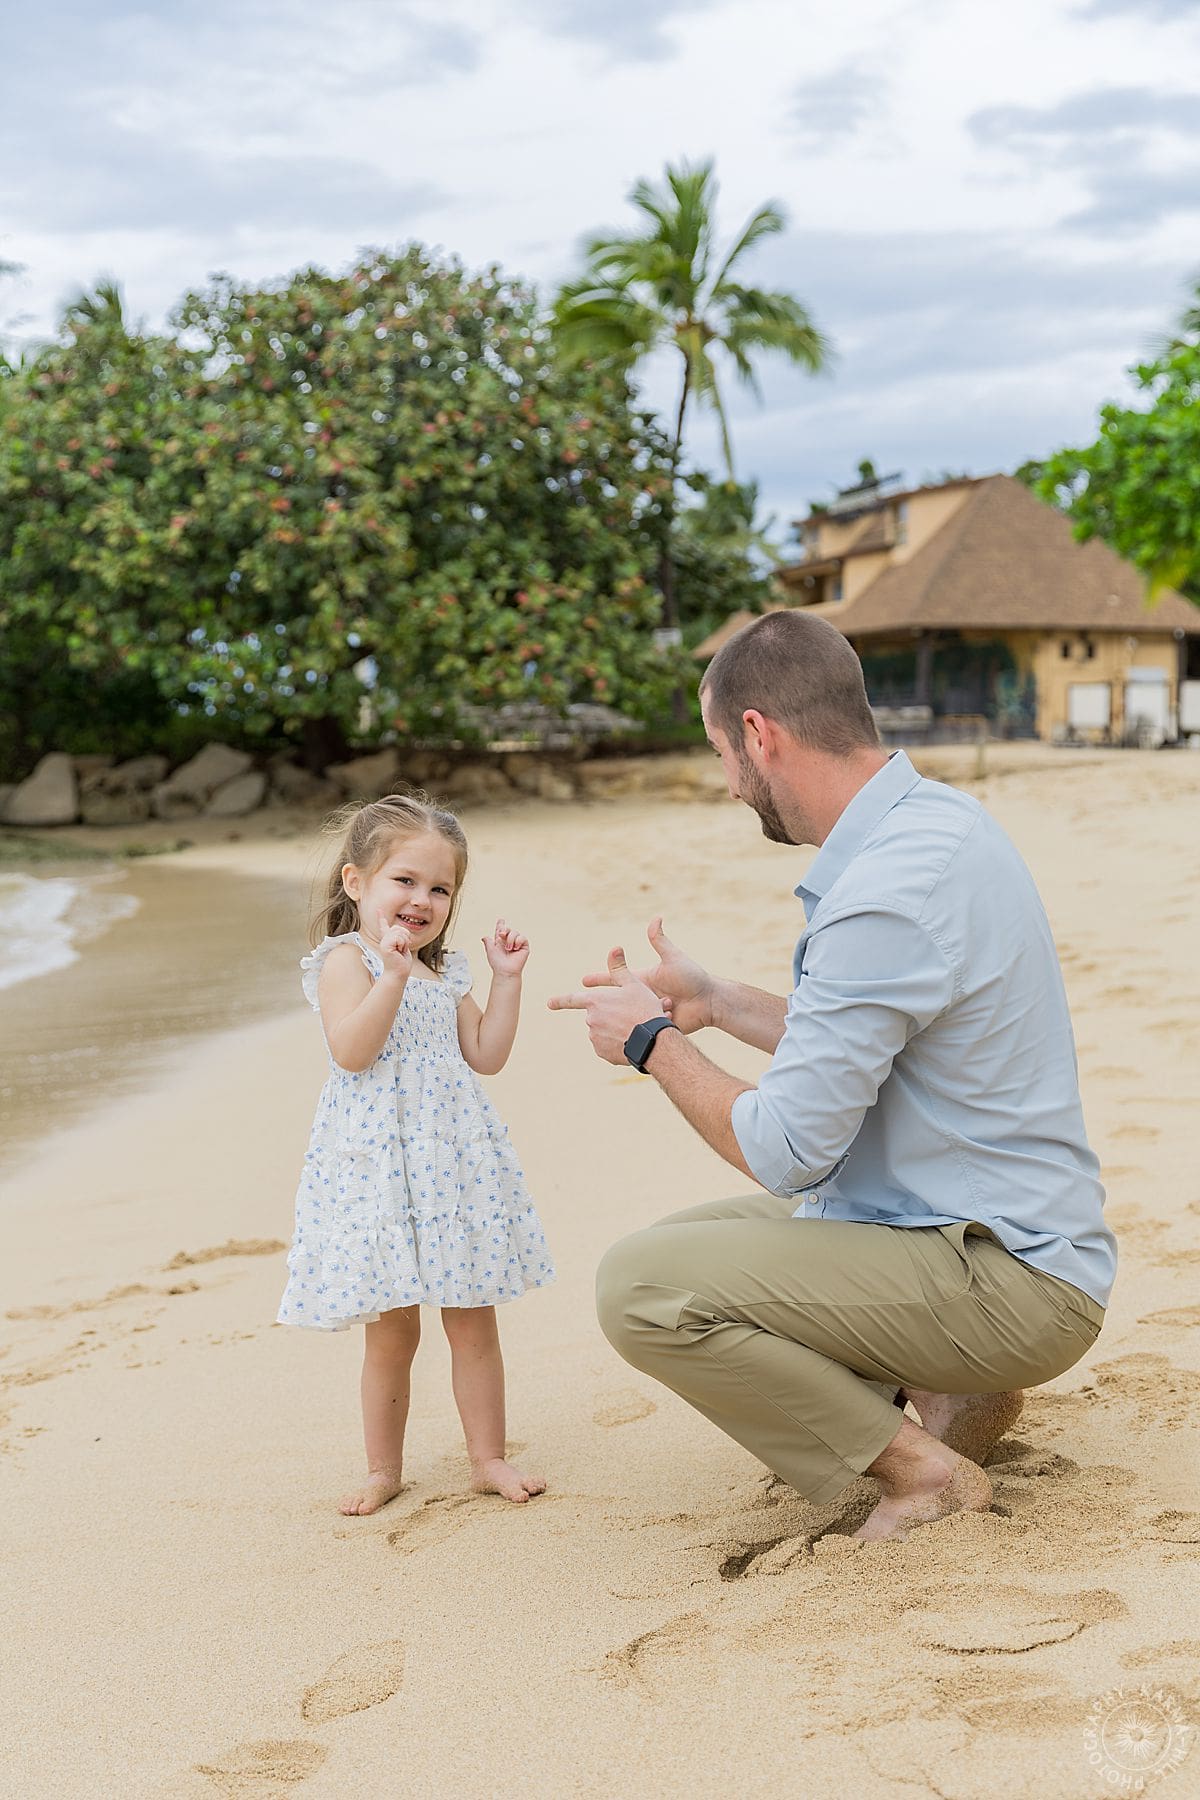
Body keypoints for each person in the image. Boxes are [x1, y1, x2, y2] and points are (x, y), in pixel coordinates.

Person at [549, 611, 1115, 1543]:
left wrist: (652, 1044)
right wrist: (715, 1001)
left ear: (758, 734)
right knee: (682, 1244)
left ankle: (922, 1474)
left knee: (641, 1289)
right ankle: (955, 1391)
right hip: (992, 1233)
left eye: (721, 754)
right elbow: (865, 1043)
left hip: (1009, 1277)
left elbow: (787, 1151)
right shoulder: (937, 824)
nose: (728, 783)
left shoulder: (885, 893)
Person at [278, 793, 554, 1515]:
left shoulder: (446, 973)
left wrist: (507, 981)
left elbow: (486, 1053)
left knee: (472, 1318)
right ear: (356, 881)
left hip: (450, 1167)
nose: (421, 900)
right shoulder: (348, 961)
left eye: (440, 888)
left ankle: (487, 1457)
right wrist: (392, 978)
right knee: (392, 1331)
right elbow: (351, 1050)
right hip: (381, 1171)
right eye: (404, 880)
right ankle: (383, 1469)